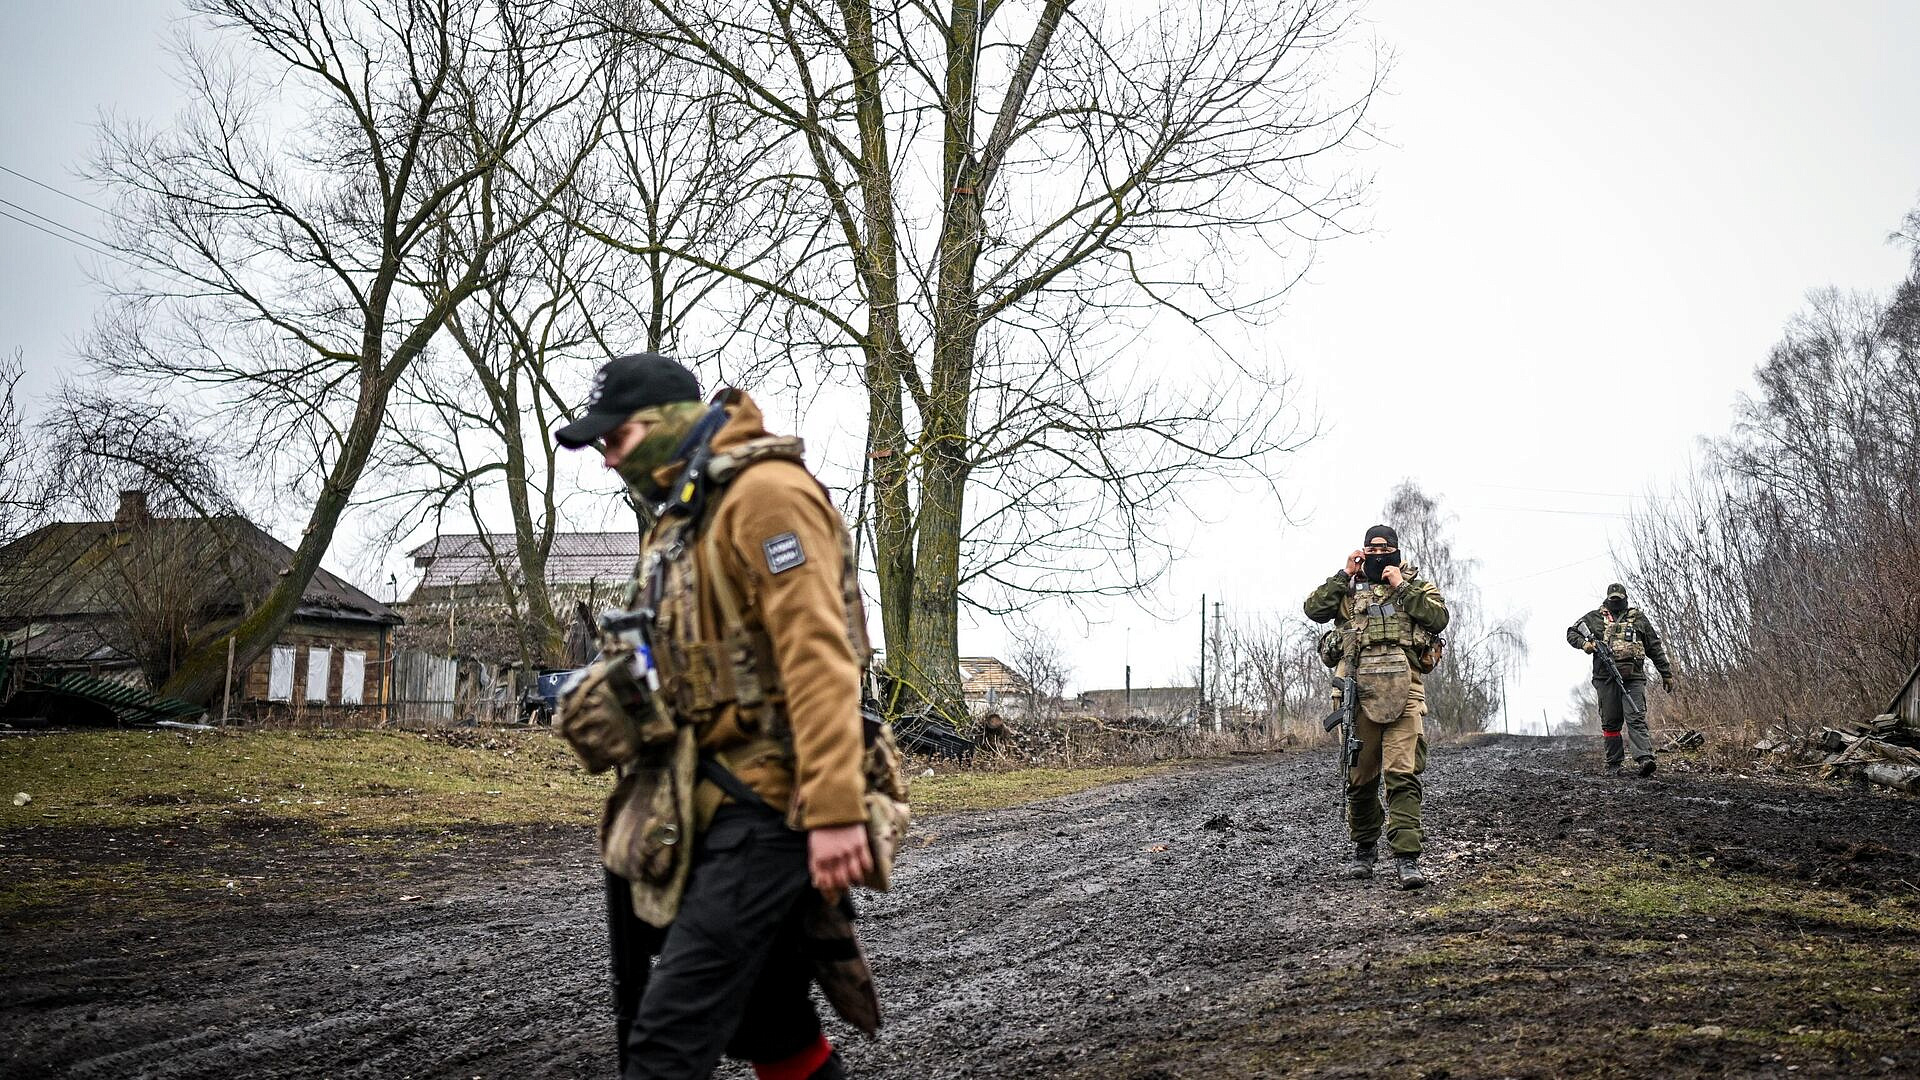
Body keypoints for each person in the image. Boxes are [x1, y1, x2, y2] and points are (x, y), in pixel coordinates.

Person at [554, 352, 877, 1080]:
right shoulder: (680, 516)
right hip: (694, 796)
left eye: (617, 440)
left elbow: (820, 656)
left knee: (666, 1044)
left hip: (771, 805)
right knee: (775, 1029)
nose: (608, 461)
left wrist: (833, 812)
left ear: (667, 423)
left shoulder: (766, 495)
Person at [1304, 524, 1449, 889]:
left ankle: (1406, 859)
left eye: (1384, 548)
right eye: (1371, 548)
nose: (1378, 552)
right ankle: (1364, 851)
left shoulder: (1415, 585)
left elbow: (1438, 618)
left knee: (1402, 775)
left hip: (1407, 693)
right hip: (1356, 693)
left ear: (1397, 550)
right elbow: (1313, 609)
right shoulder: (1348, 590)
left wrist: (1402, 585)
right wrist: (1345, 574)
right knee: (1360, 778)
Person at [1566, 582, 1676, 777]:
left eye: (1619, 598)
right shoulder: (1594, 618)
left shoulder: (1638, 618)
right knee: (1611, 720)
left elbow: (1654, 646)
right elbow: (1571, 632)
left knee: (1635, 715)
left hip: (1633, 676)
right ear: (1608, 599)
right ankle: (1614, 763)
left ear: (1625, 598)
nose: (1616, 602)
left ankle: (1644, 758)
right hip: (1605, 677)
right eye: (1613, 599)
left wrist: (1665, 672)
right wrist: (1585, 644)